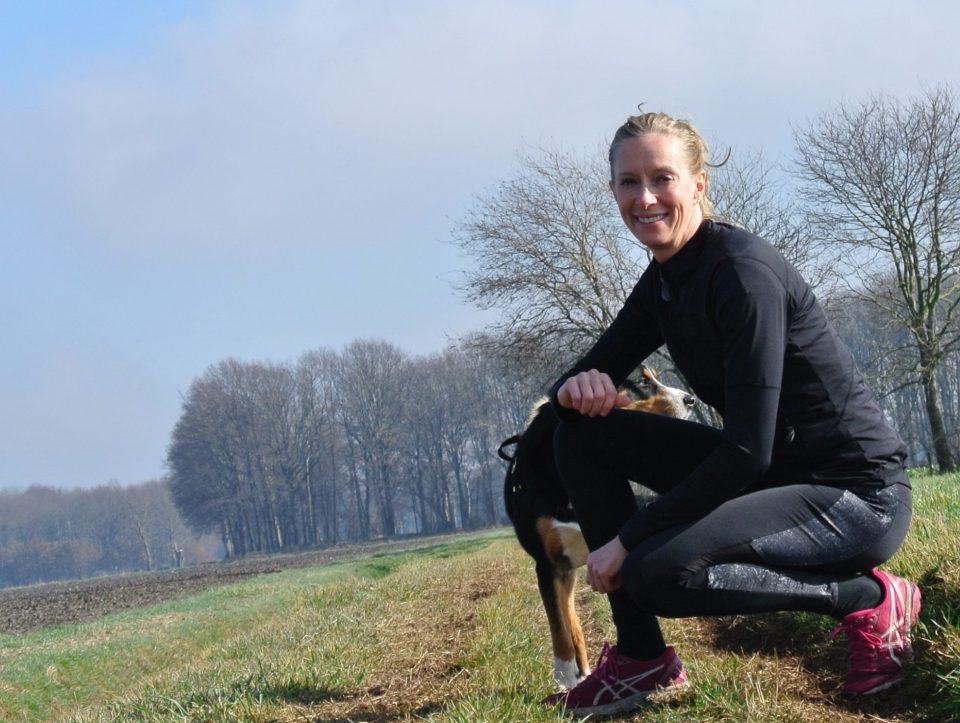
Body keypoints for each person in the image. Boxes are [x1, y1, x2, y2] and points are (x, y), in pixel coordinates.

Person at [543, 111, 919, 717]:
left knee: (654, 572)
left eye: (661, 178)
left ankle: (864, 598)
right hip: (775, 480)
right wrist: (576, 391)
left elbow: (747, 449)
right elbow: (582, 376)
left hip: (854, 497)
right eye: (628, 182)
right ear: (612, 189)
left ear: (698, 184)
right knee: (581, 437)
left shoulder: (742, 276)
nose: (644, 198)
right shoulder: (665, 278)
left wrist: (628, 539)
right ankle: (644, 661)